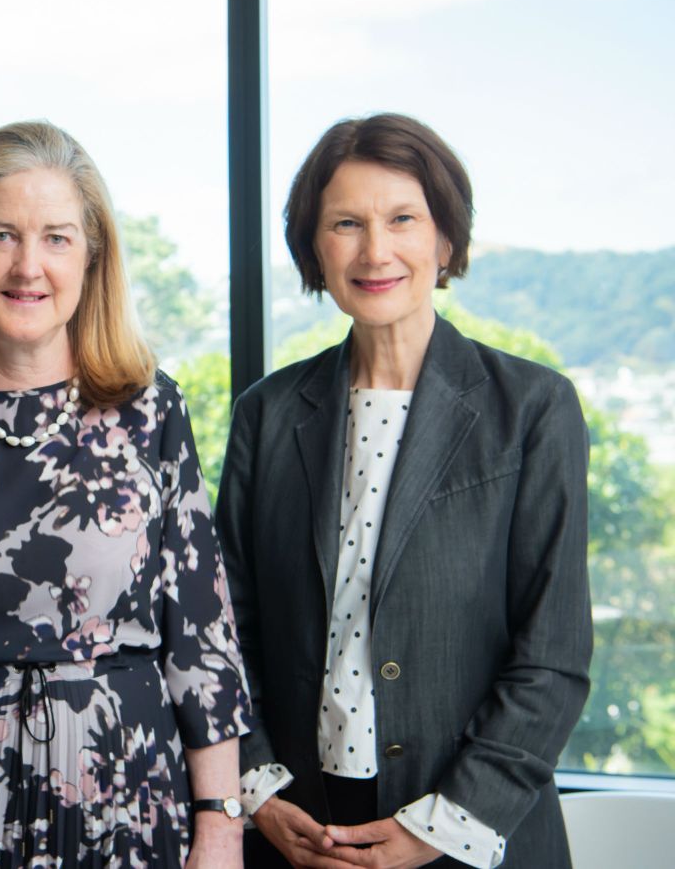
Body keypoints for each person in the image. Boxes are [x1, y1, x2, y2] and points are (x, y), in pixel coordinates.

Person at [0, 120, 253, 868]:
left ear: (93, 257)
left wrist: (221, 825)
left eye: (58, 238)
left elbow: (201, 629)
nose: (29, 265)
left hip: (131, 788)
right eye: (2, 235)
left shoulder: (150, 408)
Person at [217, 113, 591, 869]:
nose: (375, 250)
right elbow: (224, 628)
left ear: (444, 240)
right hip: (300, 829)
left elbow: (551, 656)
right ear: (314, 249)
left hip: (469, 831)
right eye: (346, 223)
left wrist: (441, 825)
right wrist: (259, 788)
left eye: (402, 219)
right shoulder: (268, 411)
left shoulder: (532, 408)